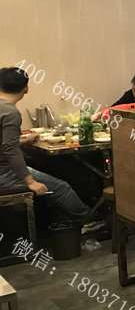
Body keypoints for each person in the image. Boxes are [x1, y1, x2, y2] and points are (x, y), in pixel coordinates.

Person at [0, 67, 92, 227]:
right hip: (4, 173)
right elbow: (10, 150)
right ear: (26, 88)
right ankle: (89, 221)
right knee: (62, 188)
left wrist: (23, 140)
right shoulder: (10, 112)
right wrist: (30, 182)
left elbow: (6, 144)